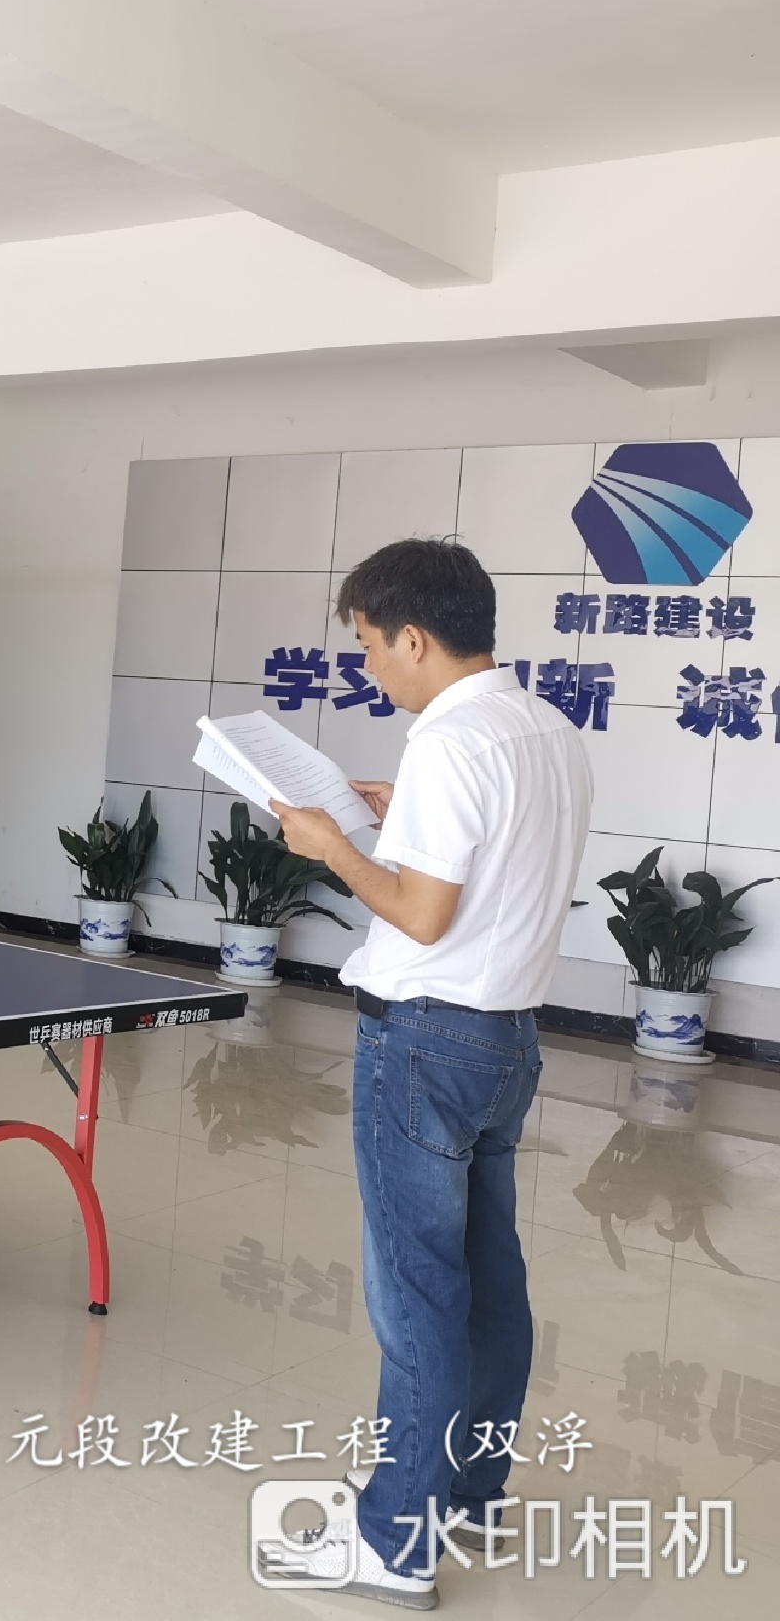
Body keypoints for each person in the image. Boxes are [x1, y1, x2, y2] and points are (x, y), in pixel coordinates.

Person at [269, 539, 590, 1609]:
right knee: (489, 1282)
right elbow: (496, 858)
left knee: (416, 1296)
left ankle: (395, 1541)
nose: (369, 667)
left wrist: (331, 845)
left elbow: (420, 913)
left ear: (414, 637)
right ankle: (469, 1497)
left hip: (422, 1044)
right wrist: (397, 809)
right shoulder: (545, 728)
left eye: (370, 645)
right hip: (507, 1042)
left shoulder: (451, 743)